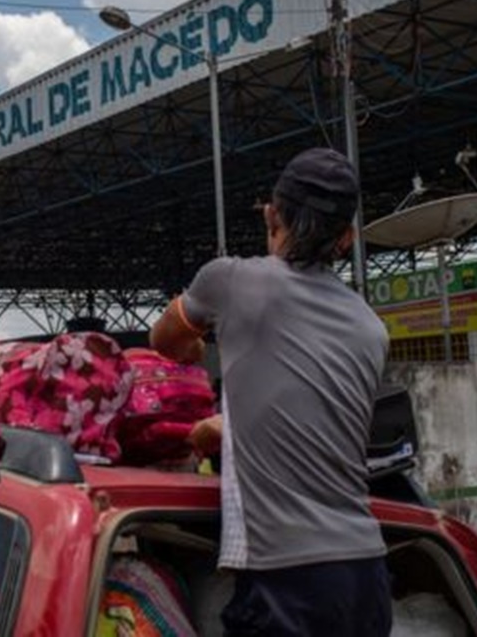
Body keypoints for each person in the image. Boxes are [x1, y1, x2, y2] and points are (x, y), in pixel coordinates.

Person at [151, 148, 391, 636]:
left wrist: (196, 350)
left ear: (271, 214)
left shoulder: (231, 280)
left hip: (288, 583)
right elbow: (313, 419)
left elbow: (164, 340)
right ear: (346, 239)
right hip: (366, 577)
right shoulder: (372, 328)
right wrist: (229, 427)